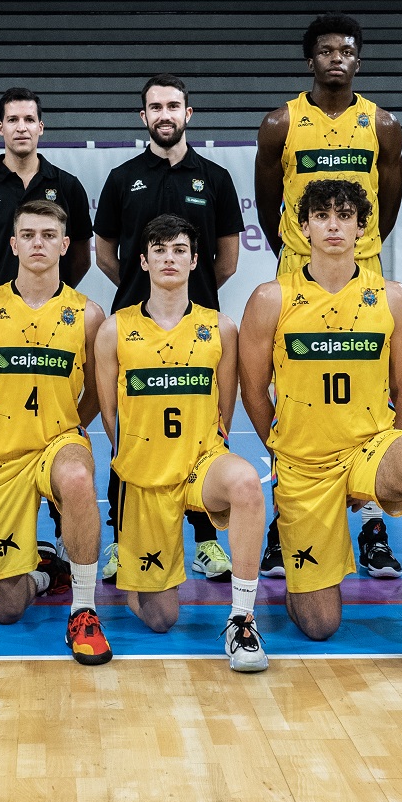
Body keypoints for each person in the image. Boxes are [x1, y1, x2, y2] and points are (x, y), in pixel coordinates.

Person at [236, 179, 402, 679]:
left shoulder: (393, 298)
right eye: (322, 216)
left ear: (362, 228)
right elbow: (252, 390)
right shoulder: (271, 298)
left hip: (369, 447)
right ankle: (298, 570)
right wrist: (280, 448)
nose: (334, 225)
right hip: (304, 462)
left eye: (345, 216)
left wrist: (383, 459)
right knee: (319, 624)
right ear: (304, 227)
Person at [253, 12, 402, 584]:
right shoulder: (281, 122)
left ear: (358, 60)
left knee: (372, 388)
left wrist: (360, 248)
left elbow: (388, 202)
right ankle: (285, 518)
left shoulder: (382, 124)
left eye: (345, 50)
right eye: (325, 50)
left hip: (362, 270)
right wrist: (294, 248)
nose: (336, 58)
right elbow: (269, 199)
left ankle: (371, 523)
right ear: (310, 59)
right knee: (290, 393)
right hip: (299, 266)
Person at [93, 214, 269, 673]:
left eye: (179, 250)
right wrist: (139, 454)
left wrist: (206, 448)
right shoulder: (114, 329)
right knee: (160, 619)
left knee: (246, 482)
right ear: (143, 261)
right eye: (159, 250)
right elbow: (110, 414)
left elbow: (224, 409)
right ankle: (137, 572)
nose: (169, 258)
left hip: (201, 462)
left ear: (194, 261)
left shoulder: (220, 328)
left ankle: (242, 619)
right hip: (145, 474)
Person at [92, 74, 244, 584]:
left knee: (204, 430)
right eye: (155, 107)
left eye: (173, 106)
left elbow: (226, 259)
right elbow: (105, 253)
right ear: (144, 117)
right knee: (129, 435)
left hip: (196, 325)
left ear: (187, 114)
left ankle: (205, 542)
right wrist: (143, 287)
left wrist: (188, 291)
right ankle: (121, 540)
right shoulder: (122, 177)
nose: (164, 114)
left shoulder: (215, 178)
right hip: (136, 324)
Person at [0, 87, 93, 573]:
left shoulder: (67, 185)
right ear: (1, 128)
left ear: (41, 127)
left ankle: (65, 532)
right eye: (12, 119)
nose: (21, 127)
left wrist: (44, 303)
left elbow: (80, 258)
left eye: (29, 119)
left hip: (53, 325)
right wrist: (0, 299)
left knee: (59, 436)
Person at [0, 199, 112, 664]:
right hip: (1, 453)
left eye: (49, 236)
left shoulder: (88, 314)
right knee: (7, 609)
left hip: (58, 441)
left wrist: (67, 425)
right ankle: (48, 573)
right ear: (13, 244)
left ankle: (84, 610)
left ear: (65, 245)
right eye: (28, 235)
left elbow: (97, 392)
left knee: (77, 476)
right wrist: (7, 424)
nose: (38, 244)